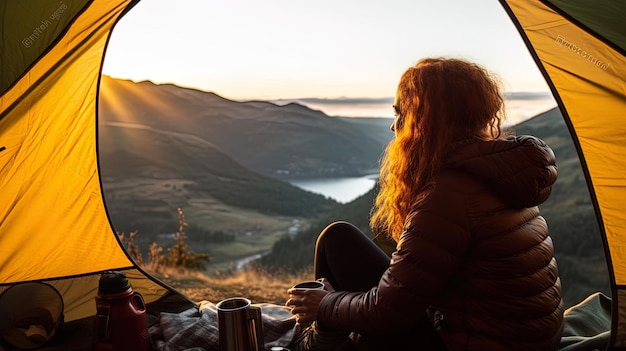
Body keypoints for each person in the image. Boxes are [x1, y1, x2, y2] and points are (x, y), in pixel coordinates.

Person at [285, 57, 564, 351]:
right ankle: (325, 339)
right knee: (338, 238)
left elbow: (389, 314)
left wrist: (326, 304)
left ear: (426, 122)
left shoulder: (447, 196)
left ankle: (322, 342)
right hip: (520, 339)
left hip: (477, 343)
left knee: (336, 242)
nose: (394, 127)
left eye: (402, 114)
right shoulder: (498, 174)